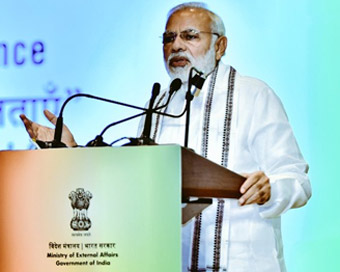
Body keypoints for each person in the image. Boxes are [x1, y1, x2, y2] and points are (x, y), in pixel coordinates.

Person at [20, 2, 311, 271]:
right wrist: (72, 150)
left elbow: (297, 180)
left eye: (190, 36)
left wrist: (270, 188)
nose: (177, 46)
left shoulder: (252, 95)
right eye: (169, 38)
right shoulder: (159, 105)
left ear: (220, 46)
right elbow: (134, 180)